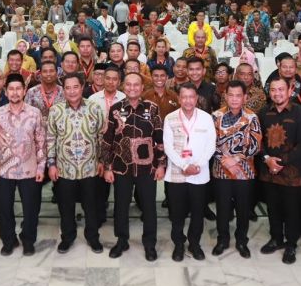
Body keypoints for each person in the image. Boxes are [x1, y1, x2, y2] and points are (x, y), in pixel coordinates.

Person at [102, 72, 165, 261]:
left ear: (142, 86)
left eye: (136, 85)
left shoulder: (152, 109)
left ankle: (149, 244)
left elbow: (160, 139)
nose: (132, 88)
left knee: (149, 207)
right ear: (123, 86)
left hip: (147, 169)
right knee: (121, 206)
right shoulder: (115, 109)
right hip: (122, 168)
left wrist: (161, 164)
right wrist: (107, 167)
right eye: (128, 85)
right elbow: (107, 141)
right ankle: (122, 240)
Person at [47, 72, 106, 254]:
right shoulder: (55, 111)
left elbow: (101, 137)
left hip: (90, 168)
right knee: (66, 206)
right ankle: (68, 237)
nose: (72, 91)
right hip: (65, 169)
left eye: (75, 87)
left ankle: (93, 237)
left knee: (91, 205)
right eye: (67, 88)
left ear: (82, 87)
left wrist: (102, 161)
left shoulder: (95, 108)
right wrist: (51, 164)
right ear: (63, 90)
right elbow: (50, 138)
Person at [0, 74, 45, 256]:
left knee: (31, 208)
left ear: (24, 91)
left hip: (30, 168)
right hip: (4, 169)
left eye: (18, 88)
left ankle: (28, 240)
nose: (14, 92)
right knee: (5, 208)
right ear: (6, 91)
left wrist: (42, 166)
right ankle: (8, 240)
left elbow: (41, 141)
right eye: (11, 89)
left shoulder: (34, 113)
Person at [258, 78, 301, 264]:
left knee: (291, 210)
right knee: (273, 208)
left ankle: (291, 244)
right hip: (269, 172)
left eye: (281, 89)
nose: (277, 93)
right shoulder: (264, 112)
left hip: (292, 173)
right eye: (273, 90)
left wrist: (282, 162)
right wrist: (267, 160)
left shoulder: (300, 113)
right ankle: (276, 239)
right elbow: (259, 141)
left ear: (290, 91)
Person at [162, 82, 216, 262]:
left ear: (197, 98)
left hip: (199, 174)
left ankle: (194, 243)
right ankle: (178, 244)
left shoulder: (206, 118)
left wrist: (198, 165)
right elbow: (168, 147)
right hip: (177, 173)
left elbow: (211, 145)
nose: (188, 100)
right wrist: (185, 166)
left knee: (198, 212)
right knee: (177, 213)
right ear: (179, 99)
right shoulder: (170, 118)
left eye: (191, 97)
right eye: (184, 97)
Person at [211, 79, 262, 258]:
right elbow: (210, 143)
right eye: (230, 95)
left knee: (243, 208)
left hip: (244, 173)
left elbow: (255, 145)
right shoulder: (215, 116)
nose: (234, 99)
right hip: (221, 171)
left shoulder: (252, 117)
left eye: (238, 96)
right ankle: (222, 239)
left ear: (245, 97)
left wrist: (236, 158)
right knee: (222, 208)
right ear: (225, 96)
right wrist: (223, 159)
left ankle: (242, 240)